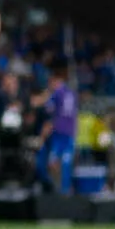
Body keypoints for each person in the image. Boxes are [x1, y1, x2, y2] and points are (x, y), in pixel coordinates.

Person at [39, 62, 77, 194]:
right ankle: (66, 189)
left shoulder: (56, 93)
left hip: (59, 132)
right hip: (70, 132)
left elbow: (48, 109)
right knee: (66, 162)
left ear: (56, 80)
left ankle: (55, 189)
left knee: (53, 162)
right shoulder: (71, 93)